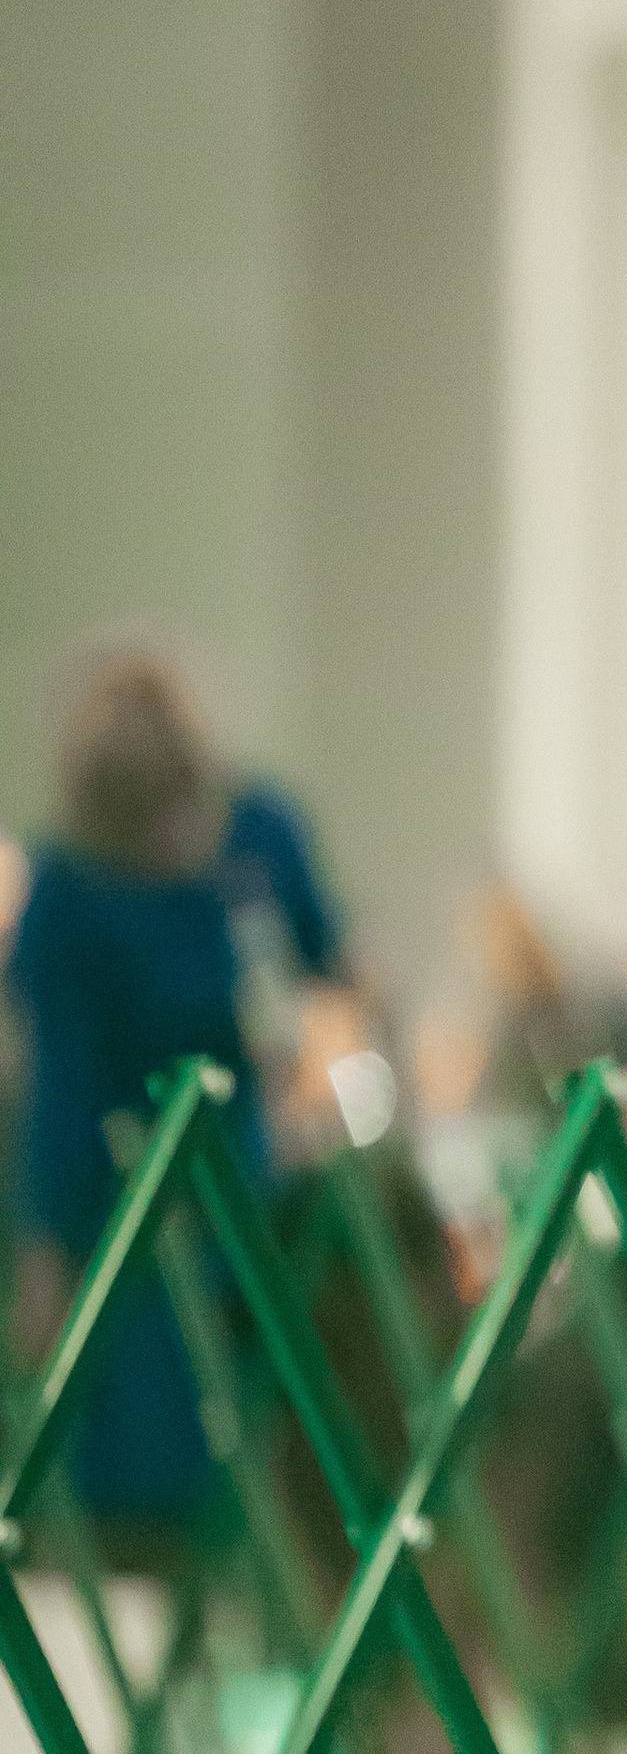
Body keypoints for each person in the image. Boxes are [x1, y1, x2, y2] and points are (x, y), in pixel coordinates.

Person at [9, 648, 349, 1539]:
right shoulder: (67, 895)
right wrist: (45, 1248)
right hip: (125, 1197)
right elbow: (62, 1091)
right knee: (147, 1457)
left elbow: (329, 973)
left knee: (273, 1420)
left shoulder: (263, 833)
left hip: (252, 1177)